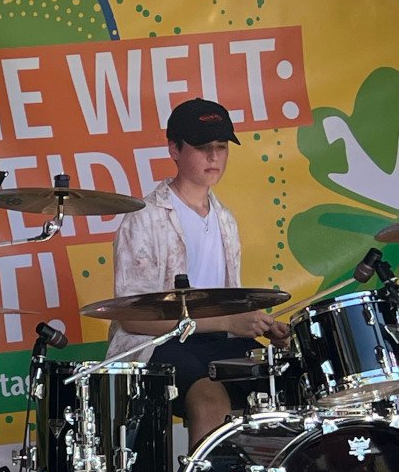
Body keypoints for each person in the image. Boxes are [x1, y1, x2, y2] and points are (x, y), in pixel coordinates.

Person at [106, 97, 289, 449]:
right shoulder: (143, 217)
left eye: (221, 147)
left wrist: (261, 325)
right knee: (210, 399)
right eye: (203, 147)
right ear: (174, 149)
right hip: (155, 343)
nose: (214, 157)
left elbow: (229, 307)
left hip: (217, 340)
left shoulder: (226, 219)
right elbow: (133, 319)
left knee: (285, 380)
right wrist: (228, 322)